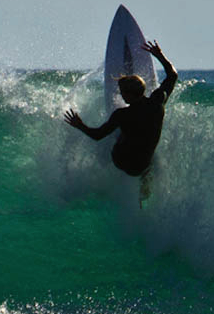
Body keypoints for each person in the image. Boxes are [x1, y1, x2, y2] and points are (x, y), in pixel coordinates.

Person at [64, 41, 178, 204]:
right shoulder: (158, 101)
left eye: (123, 92)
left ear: (129, 94)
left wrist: (80, 125)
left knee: (117, 136)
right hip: (142, 164)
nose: (121, 95)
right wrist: (159, 55)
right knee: (145, 143)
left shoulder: (122, 114)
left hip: (123, 162)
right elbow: (173, 75)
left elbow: (97, 135)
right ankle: (145, 179)